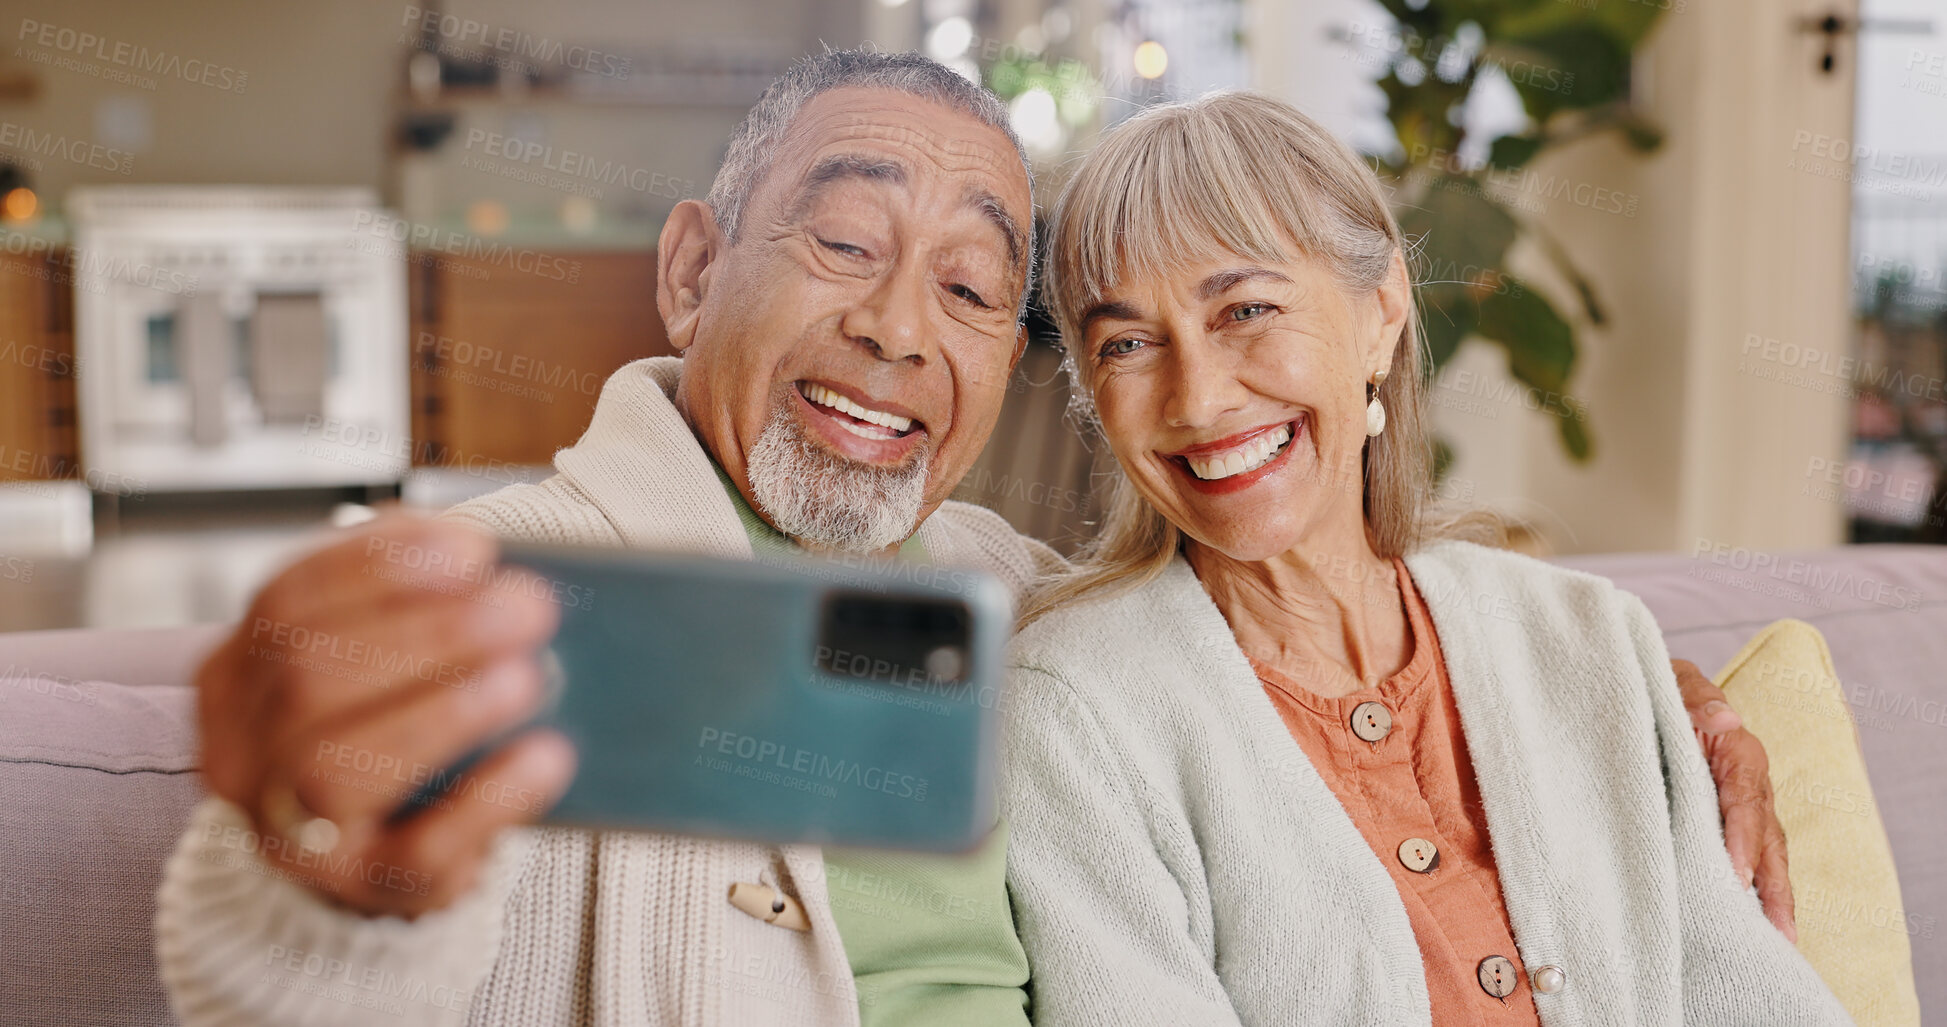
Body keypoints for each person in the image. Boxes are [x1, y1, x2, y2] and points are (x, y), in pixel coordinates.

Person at [154, 51, 1789, 1027]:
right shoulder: (510, 586)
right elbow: (275, 962)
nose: (893, 328)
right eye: (847, 238)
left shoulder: (1019, 603)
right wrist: (320, 860)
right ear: (689, 270)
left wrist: (1665, 701)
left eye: (968, 287)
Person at [999, 91, 1849, 1026]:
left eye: (1244, 308)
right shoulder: (1074, 716)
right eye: (1127, 343)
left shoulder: (1590, 636)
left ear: (1381, 308)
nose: (1197, 399)